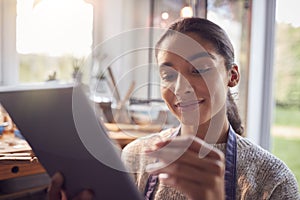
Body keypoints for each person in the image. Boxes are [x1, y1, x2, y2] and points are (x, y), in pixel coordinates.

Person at [49, 17, 299, 200]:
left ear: (232, 75)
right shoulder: (137, 157)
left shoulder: (273, 181)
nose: (182, 87)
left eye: (199, 69)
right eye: (168, 74)